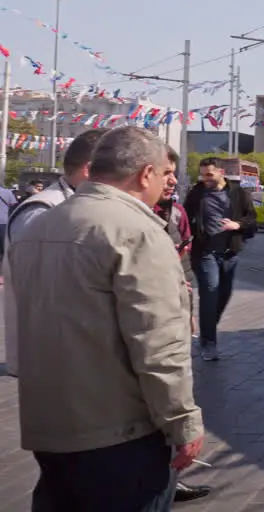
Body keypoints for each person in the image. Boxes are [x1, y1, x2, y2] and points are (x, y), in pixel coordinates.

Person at [8, 126, 204, 510]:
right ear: (145, 173)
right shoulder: (137, 231)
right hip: (120, 432)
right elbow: (158, 344)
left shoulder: (41, 224)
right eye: (166, 173)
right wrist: (183, 422)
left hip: (49, 427)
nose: (169, 182)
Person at [2, 129, 106, 379]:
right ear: (89, 170)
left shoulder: (82, 204)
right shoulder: (43, 209)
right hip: (53, 358)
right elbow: (40, 285)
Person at [153, 148, 215, 504]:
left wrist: (185, 305)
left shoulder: (175, 212)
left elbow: (185, 251)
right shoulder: (130, 218)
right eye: (167, 172)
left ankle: (169, 479)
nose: (174, 180)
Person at [183, 157, 257, 362]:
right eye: (203, 175)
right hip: (205, 252)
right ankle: (209, 343)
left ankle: (208, 330)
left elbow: (251, 218)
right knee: (210, 293)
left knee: (223, 295)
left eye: (209, 174)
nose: (205, 179)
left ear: (221, 172)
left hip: (229, 253)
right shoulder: (197, 194)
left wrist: (237, 225)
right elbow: (185, 218)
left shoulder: (238, 193)